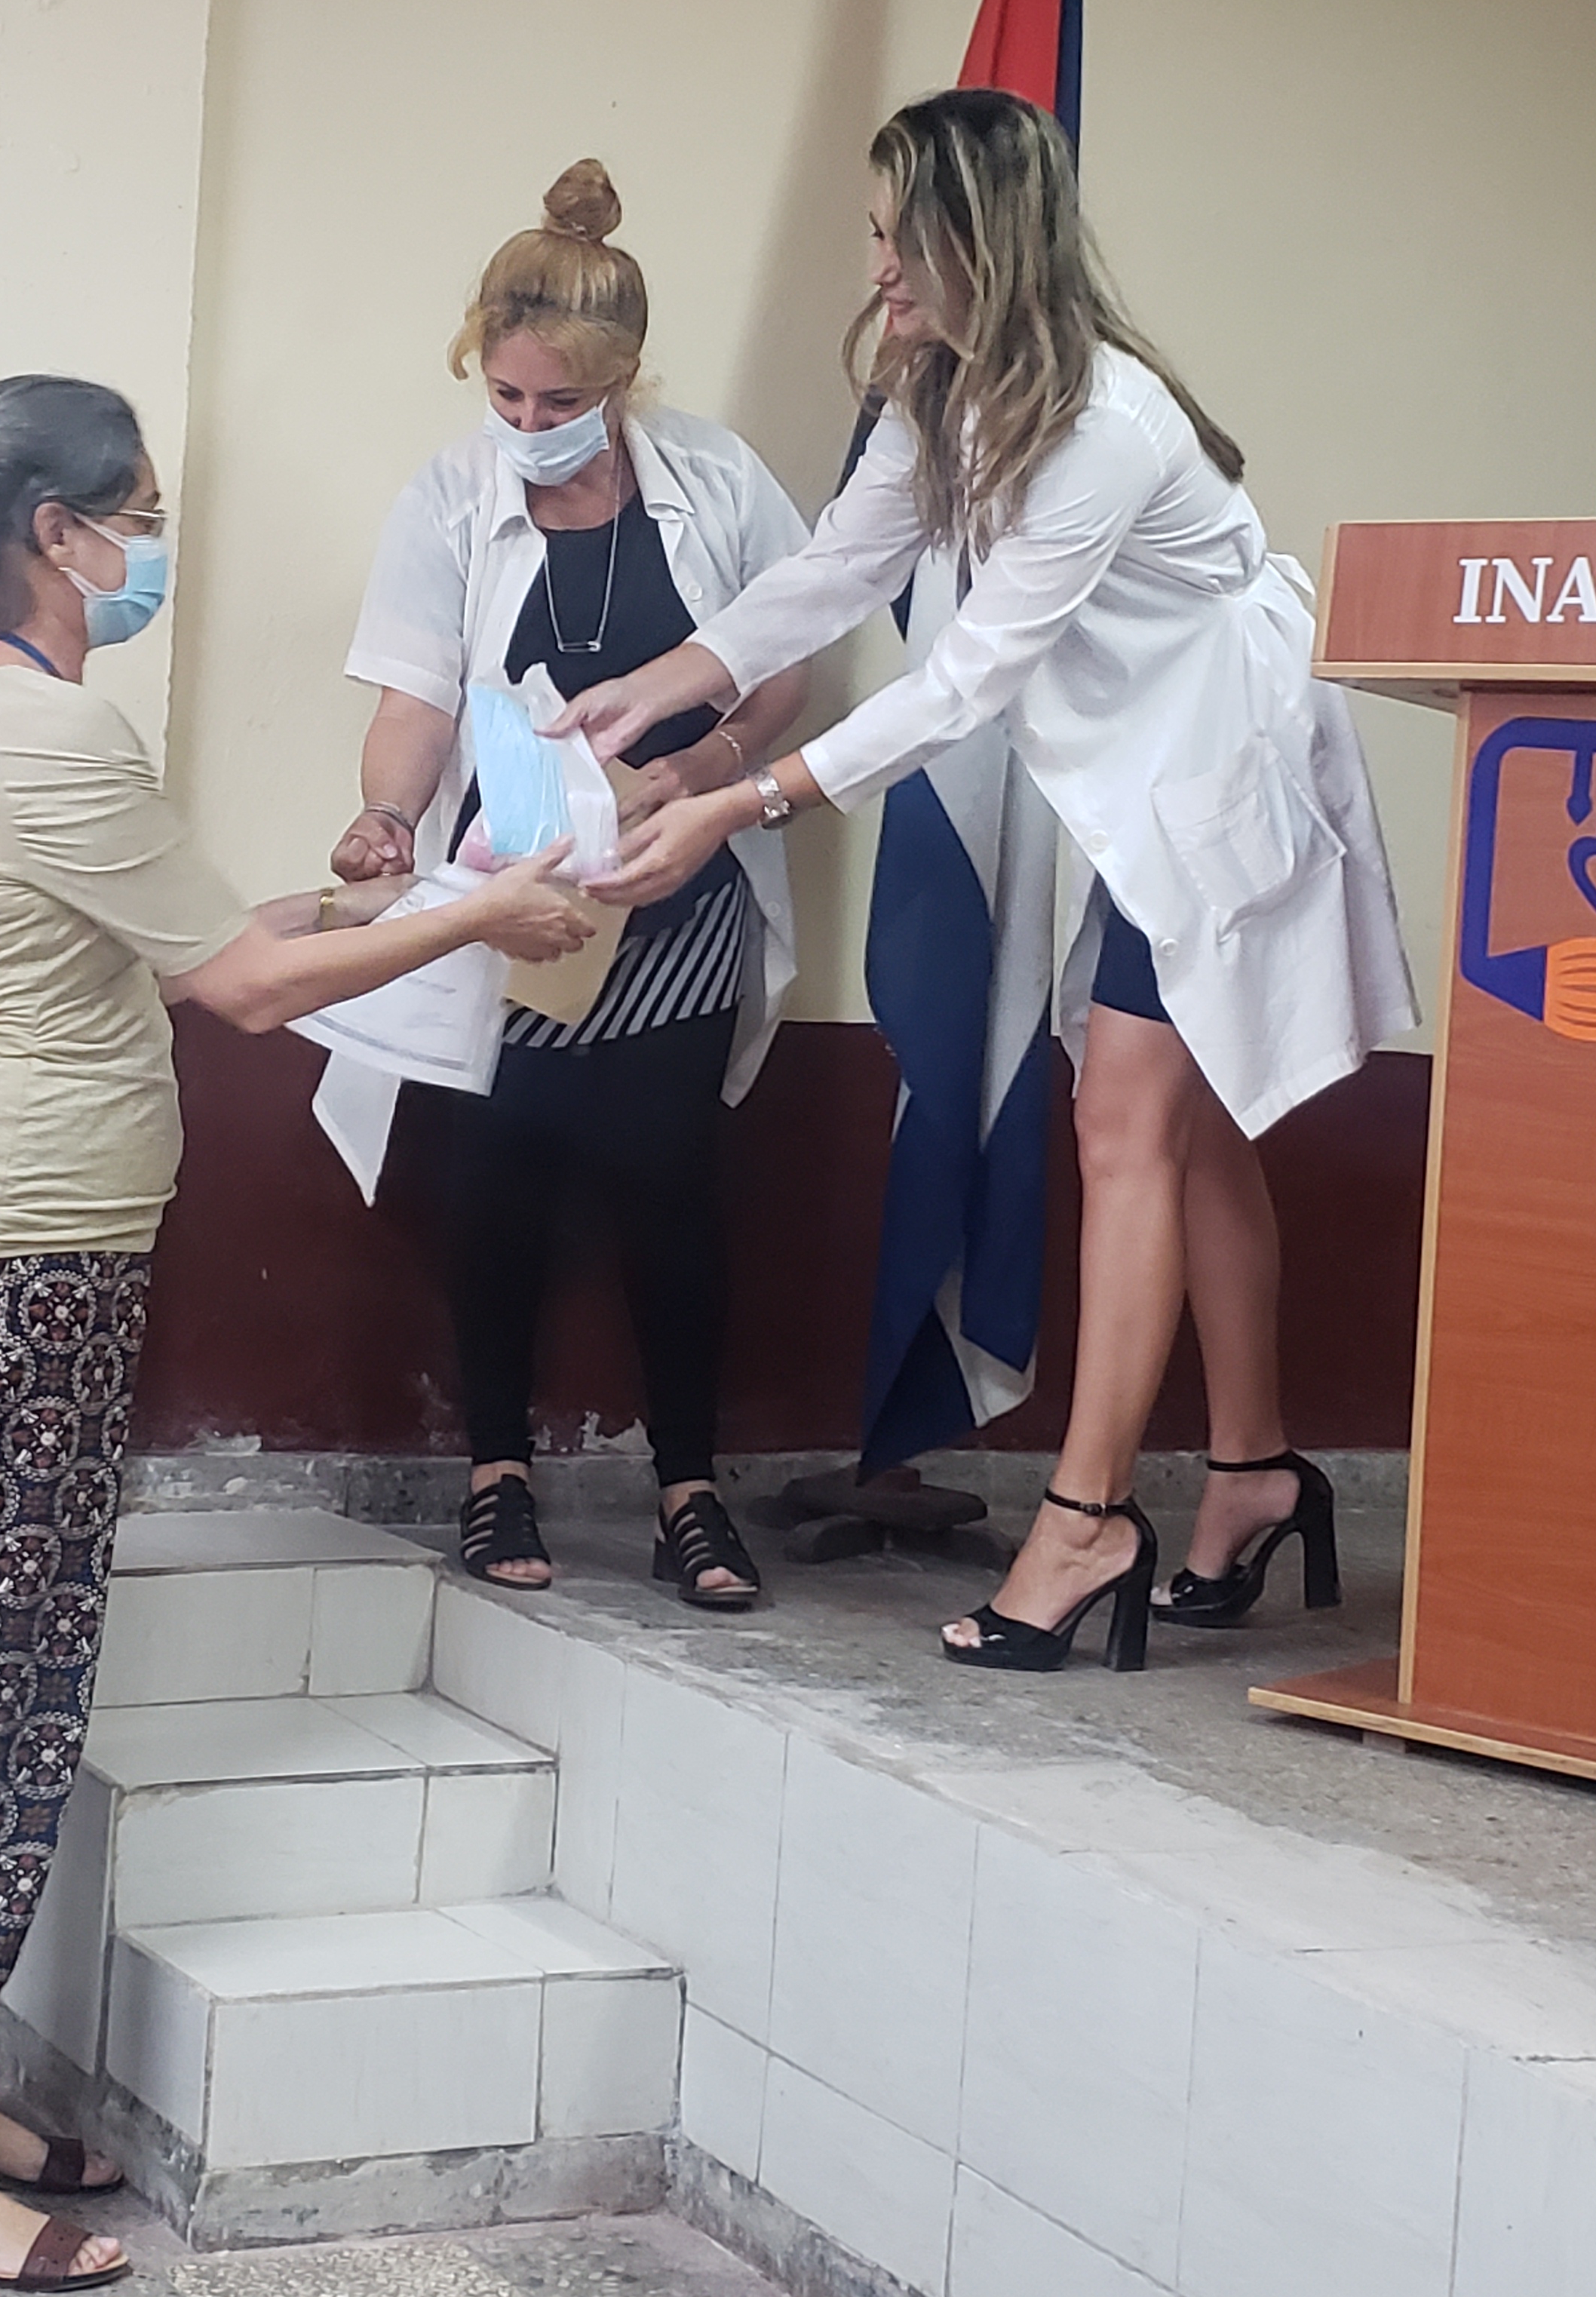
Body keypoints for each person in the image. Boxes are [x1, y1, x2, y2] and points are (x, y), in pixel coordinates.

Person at [0, 374, 589, 2293]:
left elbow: (193, 941)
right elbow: (249, 992)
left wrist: (397, 890)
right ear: (60, 529)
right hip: (6, 1269)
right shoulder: (50, 729)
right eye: (143, 514)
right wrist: (482, 916)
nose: (155, 546)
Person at [563, 91, 1416, 1673]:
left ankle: (1088, 1518)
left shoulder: (1103, 424)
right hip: (1140, 781)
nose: (878, 268)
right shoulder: (937, 384)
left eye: (903, 237)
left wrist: (741, 798)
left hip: (1220, 771)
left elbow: (962, 681)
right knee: (1191, 1119)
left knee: (1127, 1125)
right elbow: (836, 570)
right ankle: (1255, 1472)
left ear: (984, 239)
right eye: (876, 236)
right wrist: (658, 689)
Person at [336, 162, 812, 1610]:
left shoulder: (717, 482)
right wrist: (384, 817)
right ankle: (497, 1470)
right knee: (500, 1179)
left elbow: (787, 664)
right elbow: (416, 693)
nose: (530, 424)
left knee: (672, 1186)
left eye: (561, 401)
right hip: (516, 898)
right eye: (508, 396)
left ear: (623, 382)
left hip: (677, 888)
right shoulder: (448, 495)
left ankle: (689, 1491)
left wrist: (707, 771)